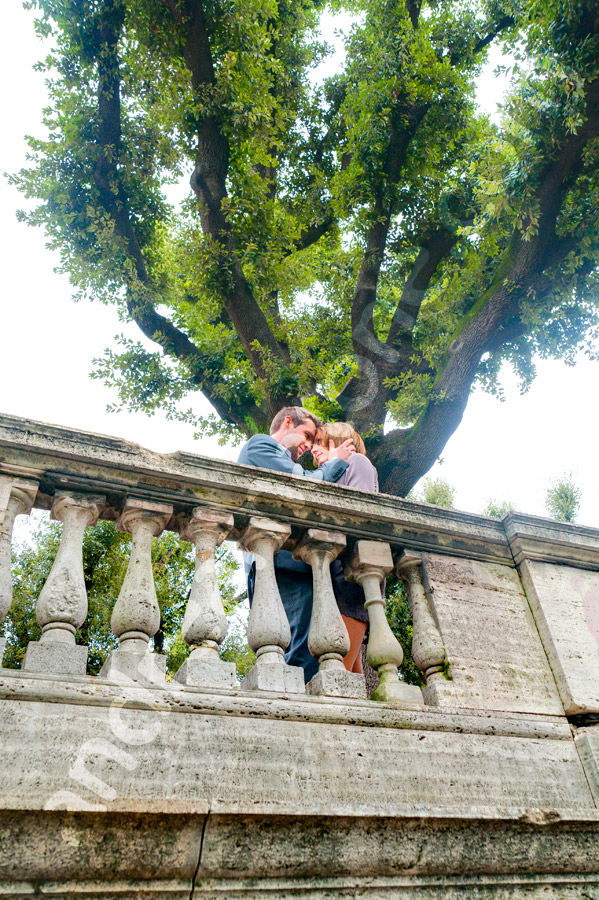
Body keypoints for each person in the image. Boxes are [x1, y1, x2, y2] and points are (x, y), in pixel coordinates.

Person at [238, 407, 355, 681]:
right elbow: (303, 485)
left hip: (284, 561)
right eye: (307, 434)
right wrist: (336, 461)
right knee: (299, 645)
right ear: (287, 422)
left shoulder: (284, 459)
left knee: (296, 643)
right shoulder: (261, 445)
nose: (308, 444)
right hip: (282, 562)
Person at [312, 422, 379, 675]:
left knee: (337, 670)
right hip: (333, 574)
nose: (312, 449)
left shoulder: (358, 462)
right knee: (352, 673)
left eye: (319, 441)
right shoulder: (332, 473)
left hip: (351, 573)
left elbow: (361, 517)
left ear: (336, 439)